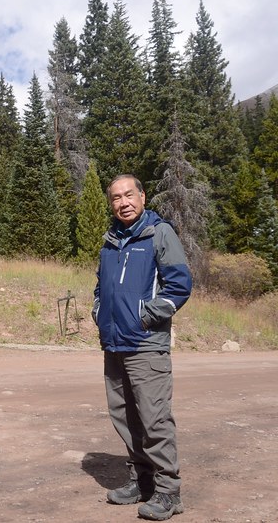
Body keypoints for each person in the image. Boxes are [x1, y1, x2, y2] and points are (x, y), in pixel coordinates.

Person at [92, 174, 192, 521]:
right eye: (116, 198)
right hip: (114, 344)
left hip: (146, 345)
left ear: (143, 196)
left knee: (154, 418)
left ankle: (169, 492)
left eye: (129, 195)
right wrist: (99, 314)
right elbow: (100, 288)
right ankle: (142, 481)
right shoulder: (110, 241)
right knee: (125, 416)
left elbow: (179, 286)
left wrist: (144, 318)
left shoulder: (158, 233)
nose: (123, 202)